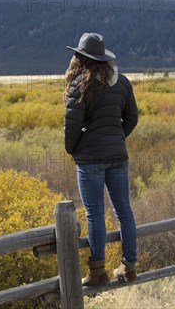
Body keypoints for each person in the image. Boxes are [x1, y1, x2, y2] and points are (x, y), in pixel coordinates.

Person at [63, 32, 139, 287]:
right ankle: (129, 266)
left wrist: (74, 149)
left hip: (90, 159)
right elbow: (132, 119)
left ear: (82, 58)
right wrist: (116, 137)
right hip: (118, 156)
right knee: (124, 210)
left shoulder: (79, 84)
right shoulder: (123, 82)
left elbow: (71, 126)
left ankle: (97, 272)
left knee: (95, 214)